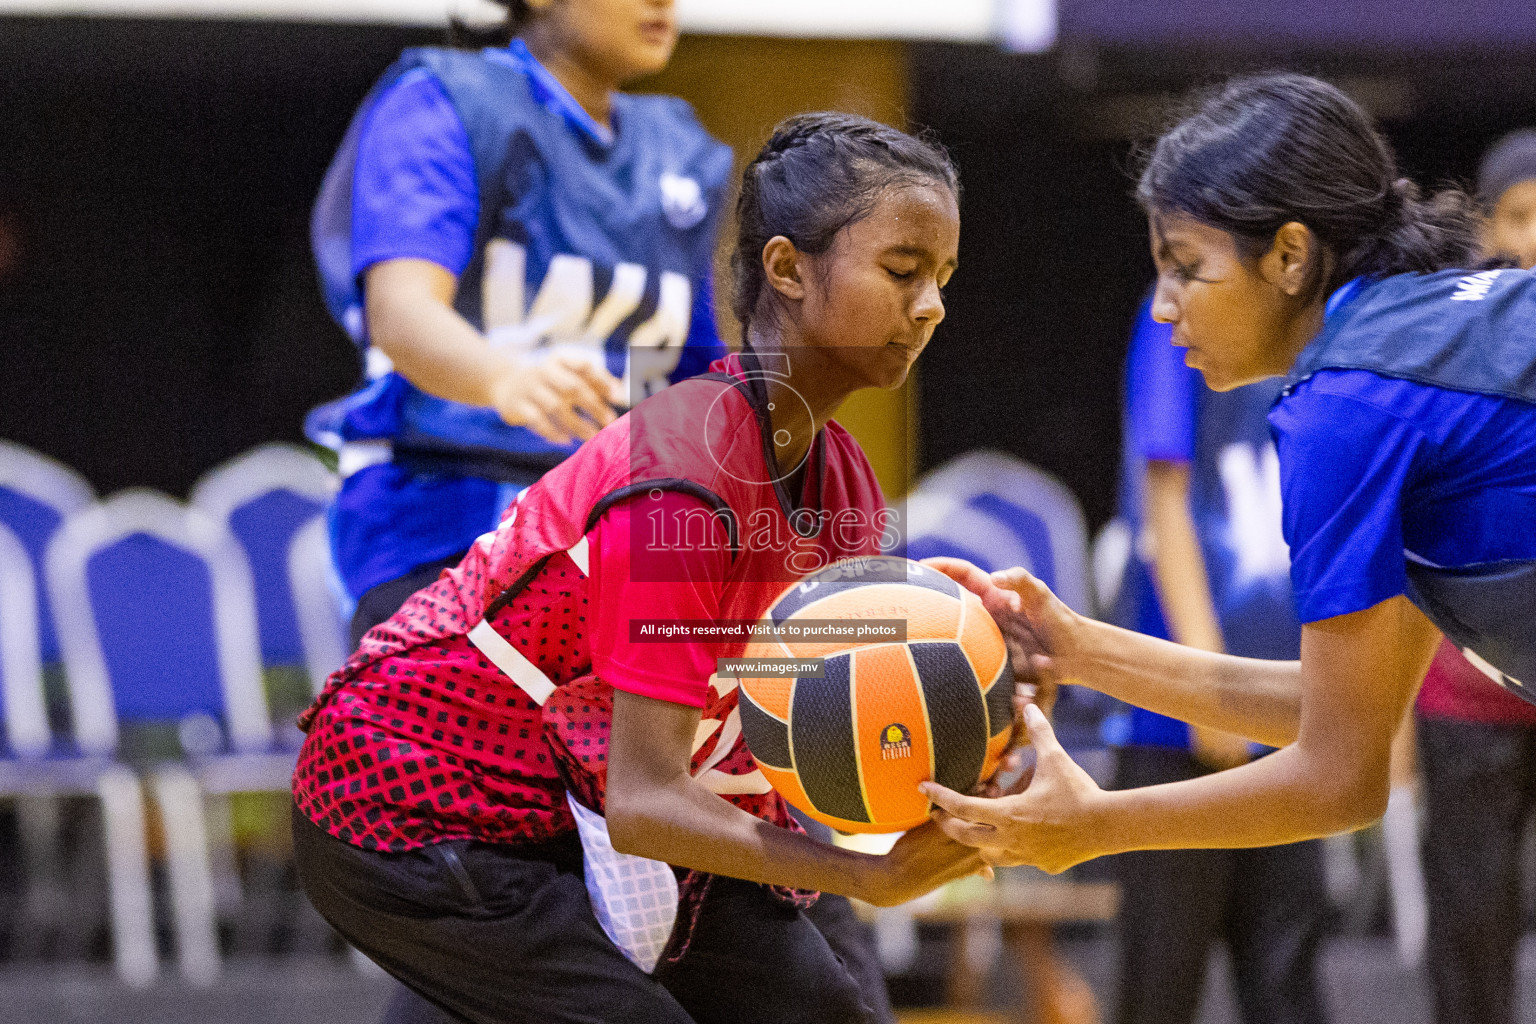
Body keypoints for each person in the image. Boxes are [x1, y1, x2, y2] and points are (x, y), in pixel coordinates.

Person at [292, 112, 982, 1024]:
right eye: (903, 271)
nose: (930, 304)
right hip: (409, 797)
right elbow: (648, 802)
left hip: (569, 795)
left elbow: (821, 730)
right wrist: (871, 874)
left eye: (941, 279)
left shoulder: (846, 481)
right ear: (786, 269)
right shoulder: (683, 475)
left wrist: (984, 716)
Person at [915, 73, 1536, 879]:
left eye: (1186, 268)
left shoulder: (1349, 403)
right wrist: (1080, 650)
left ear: (1288, 255)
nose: (1165, 305)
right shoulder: (1419, 343)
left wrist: (1094, 827)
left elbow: (1340, 781)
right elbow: (1343, 716)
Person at [307, 0, 729, 650]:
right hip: (440, 512)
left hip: (618, 533)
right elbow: (402, 309)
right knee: (451, 751)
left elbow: (698, 372)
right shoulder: (443, 99)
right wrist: (505, 378)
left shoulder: (680, 148)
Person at [1105, 299, 1328, 1024]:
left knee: (1287, 983)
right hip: (1177, 727)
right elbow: (1162, 497)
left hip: (1297, 717)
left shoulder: (1324, 317)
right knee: (1162, 984)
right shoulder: (1179, 311)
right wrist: (1210, 689)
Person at [1406, 130, 1536, 1024]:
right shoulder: (1444, 338)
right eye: (1521, 217)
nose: (1534, 240)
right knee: (1471, 923)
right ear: (1488, 226)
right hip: (1464, 689)